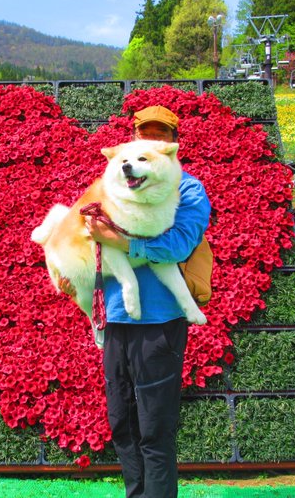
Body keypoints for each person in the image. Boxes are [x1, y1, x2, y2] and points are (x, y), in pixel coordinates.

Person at [67, 106, 211, 497]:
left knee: (155, 426)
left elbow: (180, 245)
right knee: (122, 422)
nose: (152, 140)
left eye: (161, 135)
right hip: (116, 319)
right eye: (144, 133)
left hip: (159, 323)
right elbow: (83, 238)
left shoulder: (188, 189)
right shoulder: (114, 184)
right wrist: (74, 271)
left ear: (173, 144)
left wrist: (122, 242)